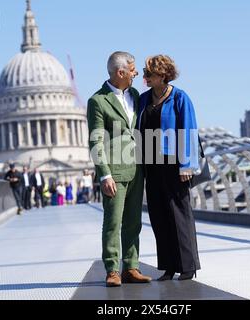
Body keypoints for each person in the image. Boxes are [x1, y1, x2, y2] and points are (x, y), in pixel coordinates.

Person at [87, 51, 151, 287]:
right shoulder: (98, 100)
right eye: (132, 70)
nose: (136, 74)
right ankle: (112, 270)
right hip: (114, 170)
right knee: (113, 222)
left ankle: (131, 267)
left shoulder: (134, 94)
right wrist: (104, 173)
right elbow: (95, 139)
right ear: (120, 72)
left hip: (137, 169)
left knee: (134, 221)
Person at [138, 55, 201, 281]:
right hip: (151, 164)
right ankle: (168, 266)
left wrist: (187, 165)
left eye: (149, 74)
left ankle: (187, 266)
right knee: (158, 214)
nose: (144, 78)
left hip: (175, 164)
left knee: (179, 214)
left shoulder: (179, 98)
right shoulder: (144, 100)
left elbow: (189, 131)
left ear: (162, 75)